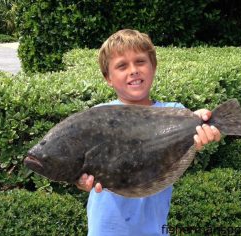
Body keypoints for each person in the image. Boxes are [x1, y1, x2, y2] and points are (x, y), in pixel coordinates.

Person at [75, 29, 221, 236]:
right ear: (108, 77)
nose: (133, 70)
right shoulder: (98, 116)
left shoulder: (174, 112)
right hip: (106, 229)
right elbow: (81, 166)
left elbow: (197, 125)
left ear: (153, 66)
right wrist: (81, 181)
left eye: (140, 62)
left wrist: (208, 127)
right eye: (122, 66)